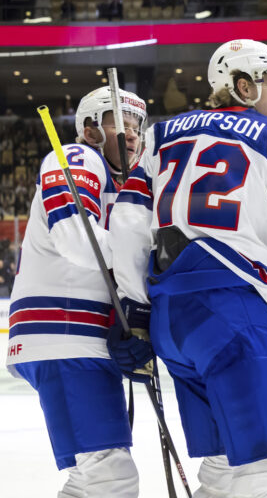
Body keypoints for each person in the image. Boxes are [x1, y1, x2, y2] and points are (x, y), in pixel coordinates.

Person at [107, 39, 267, 497]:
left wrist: (134, 309)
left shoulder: (159, 134)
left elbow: (127, 224)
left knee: (223, 465)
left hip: (171, 319)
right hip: (231, 310)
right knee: (265, 468)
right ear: (245, 86)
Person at [5, 86, 147, 497]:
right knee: (109, 477)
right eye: (118, 123)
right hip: (62, 335)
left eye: (137, 124)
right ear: (89, 128)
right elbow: (74, 237)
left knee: (95, 478)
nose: (132, 133)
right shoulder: (77, 157)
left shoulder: (124, 185)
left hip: (82, 340)